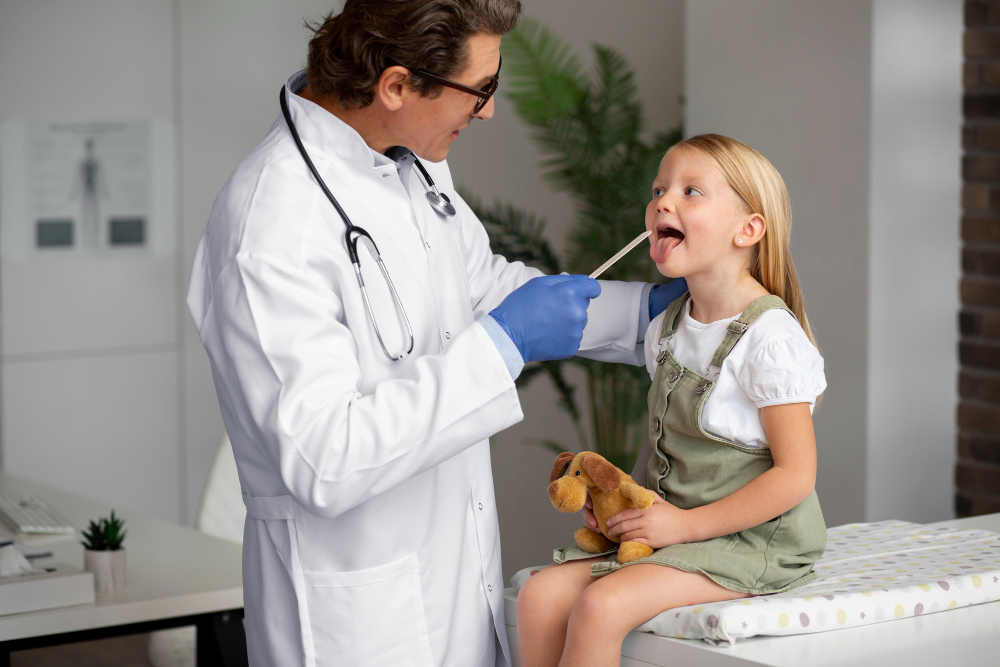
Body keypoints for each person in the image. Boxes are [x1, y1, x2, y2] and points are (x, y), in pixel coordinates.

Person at [185, 2, 685, 666]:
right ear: (395, 85)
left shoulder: (408, 160)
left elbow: (474, 284)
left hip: (454, 578)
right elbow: (323, 458)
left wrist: (649, 315)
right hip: (357, 624)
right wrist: (504, 344)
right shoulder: (270, 228)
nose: (488, 112)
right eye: (481, 90)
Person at [515, 134, 828, 667]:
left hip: (751, 541)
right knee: (538, 595)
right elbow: (660, 442)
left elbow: (796, 476)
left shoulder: (770, 339)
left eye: (691, 192)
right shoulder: (666, 327)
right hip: (677, 526)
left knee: (601, 607)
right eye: (660, 189)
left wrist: (681, 527)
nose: (664, 201)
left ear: (747, 229)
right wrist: (628, 508)